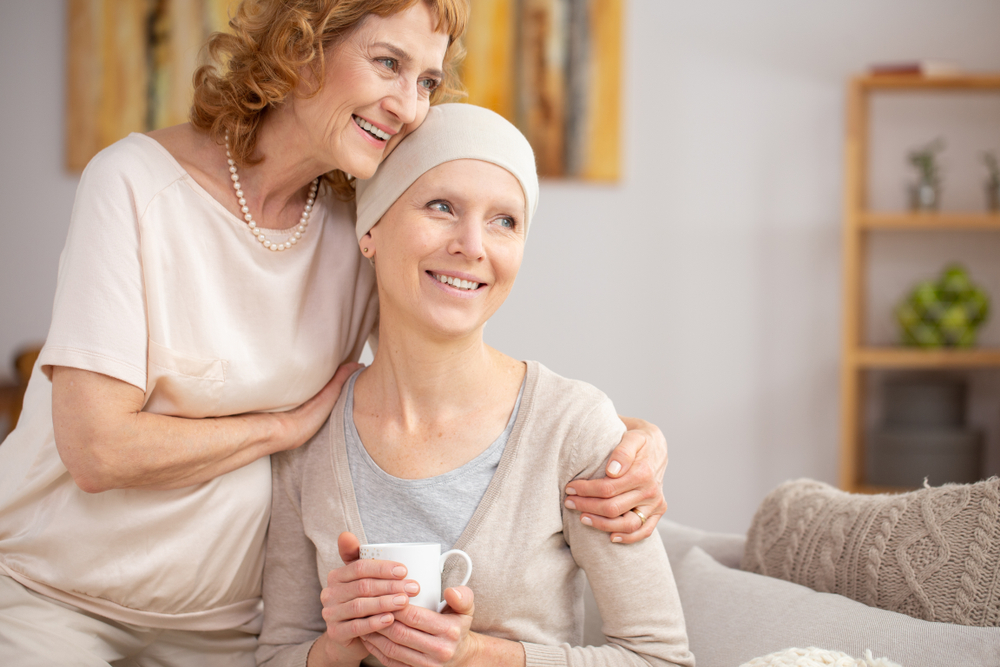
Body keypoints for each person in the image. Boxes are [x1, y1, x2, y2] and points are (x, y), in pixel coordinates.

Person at [0, 1, 668, 665]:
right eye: (388, 63)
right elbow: (95, 448)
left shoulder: (356, 223)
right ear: (300, 46)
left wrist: (628, 443)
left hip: (224, 622)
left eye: (427, 81)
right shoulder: (135, 185)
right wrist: (280, 430)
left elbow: (450, 378)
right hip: (58, 593)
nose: (409, 106)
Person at [257, 103, 694, 667]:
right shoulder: (311, 435)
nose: (473, 244)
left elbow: (662, 658)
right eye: (442, 206)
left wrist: (476, 655)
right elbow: (276, 657)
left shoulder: (573, 430)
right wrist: (338, 645)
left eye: (504, 221)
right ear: (371, 228)